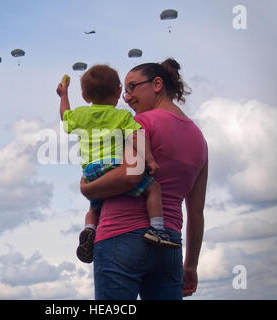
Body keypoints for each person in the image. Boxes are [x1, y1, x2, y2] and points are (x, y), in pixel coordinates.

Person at [80, 58, 208, 299]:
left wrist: (88, 189)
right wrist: (190, 266)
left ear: (157, 84)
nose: (126, 98)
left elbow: (130, 174)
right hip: (169, 242)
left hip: (121, 236)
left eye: (132, 88)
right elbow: (197, 211)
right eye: (124, 91)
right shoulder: (199, 139)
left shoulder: (138, 124)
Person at [56, 65, 182, 264]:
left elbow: (65, 115)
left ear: (84, 96)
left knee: (95, 207)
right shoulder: (123, 116)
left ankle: (89, 230)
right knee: (153, 188)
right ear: (117, 91)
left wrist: (63, 95)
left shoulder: (79, 115)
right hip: (115, 166)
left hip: (91, 171)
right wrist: (149, 160)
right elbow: (136, 137)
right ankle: (157, 229)